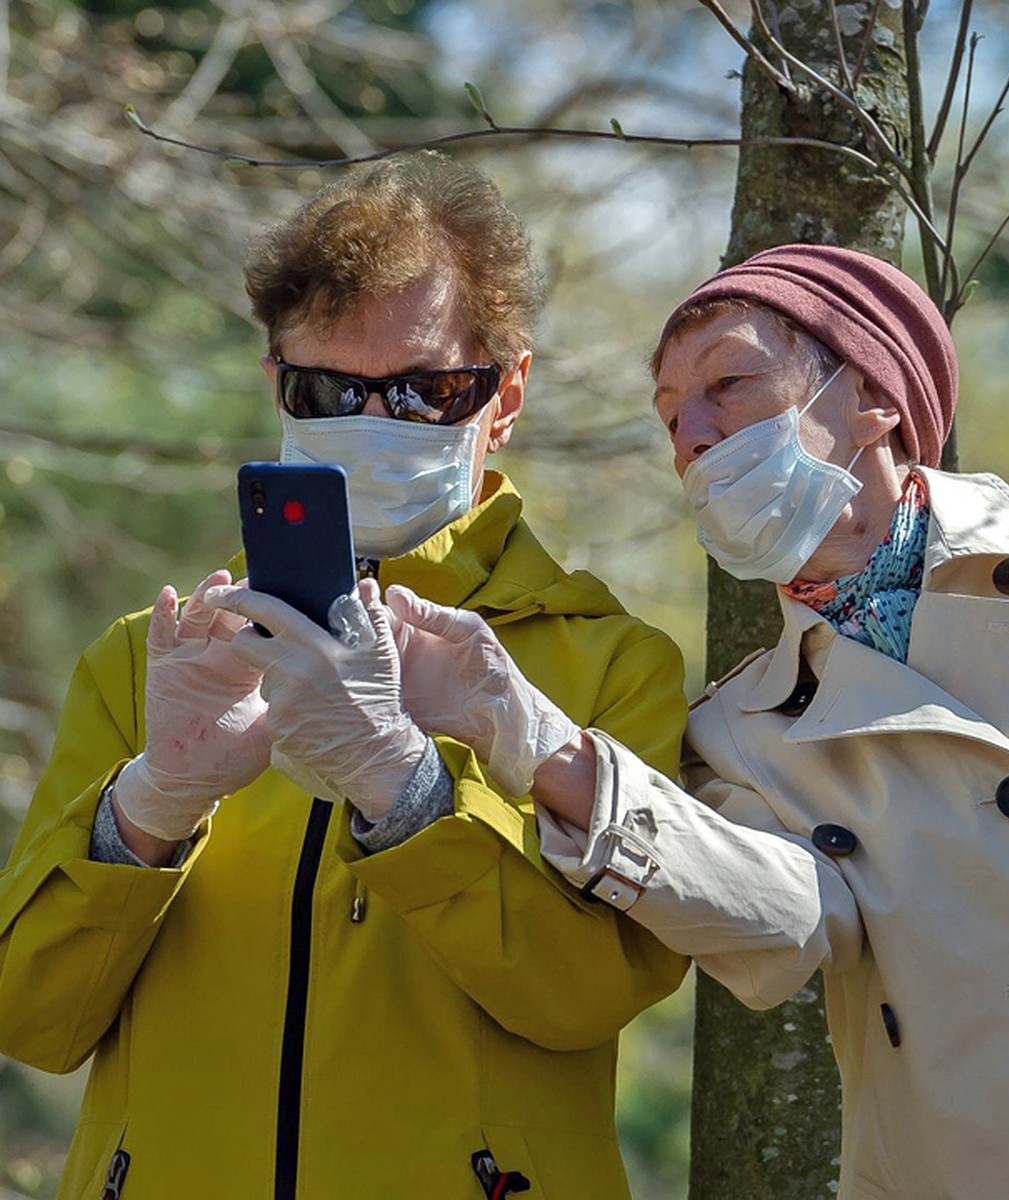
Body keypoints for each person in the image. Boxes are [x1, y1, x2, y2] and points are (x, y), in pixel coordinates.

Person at [382, 244, 1009, 1199]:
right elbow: (789, 928)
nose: (690, 431)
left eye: (728, 383)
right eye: (670, 413)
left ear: (871, 398)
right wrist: (523, 731)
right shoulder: (739, 731)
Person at [0, 152, 688, 1200]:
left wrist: (406, 791)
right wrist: (149, 809)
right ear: (278, 382)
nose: (375, 421)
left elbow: (588, 995)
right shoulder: (156, 654)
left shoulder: (608, 666)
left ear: (504, 394)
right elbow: (31, 1018)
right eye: (331, 387)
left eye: (423, 390)